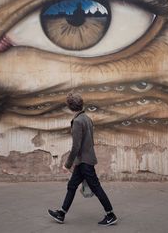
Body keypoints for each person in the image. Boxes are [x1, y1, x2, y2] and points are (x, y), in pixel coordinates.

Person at [48, 93, 118, 226]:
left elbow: (76, 146)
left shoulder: (78, 121)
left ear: (70, 107)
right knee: (72, 186)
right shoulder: (87, 118)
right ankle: (61, 214)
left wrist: (67, 164)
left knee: (96, 188)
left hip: (84, 162)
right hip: (84, 161)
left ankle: (111, 215)